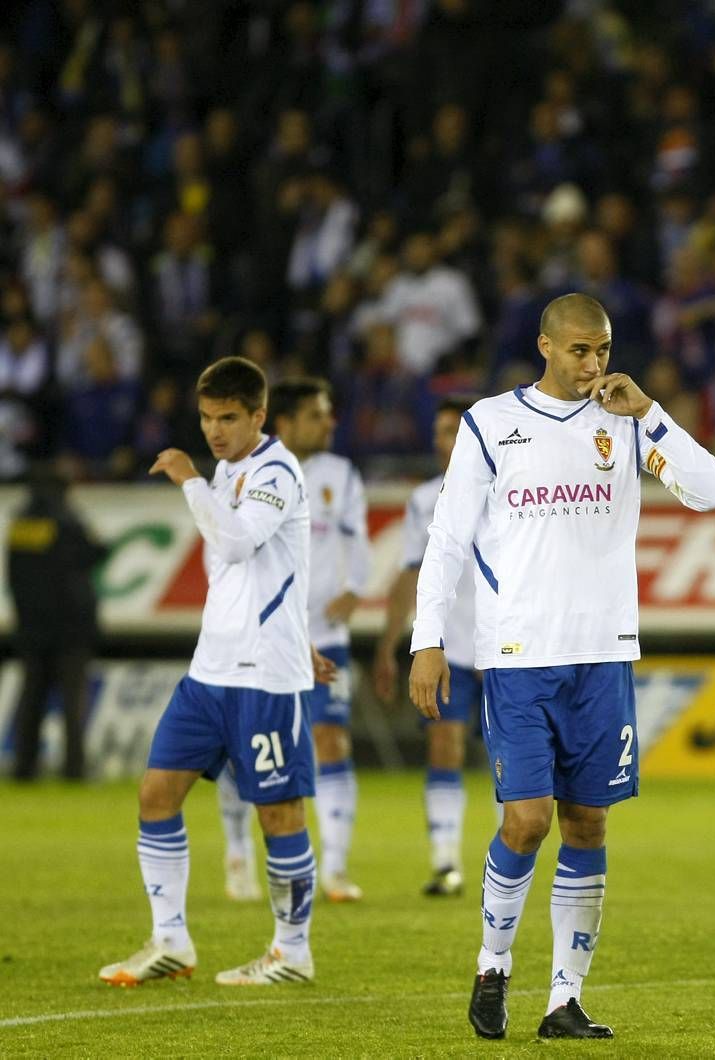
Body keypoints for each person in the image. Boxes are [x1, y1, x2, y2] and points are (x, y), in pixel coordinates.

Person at [408, 294, 715, 1041]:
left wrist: (649, 412)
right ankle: (492, 965)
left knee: (586, 823)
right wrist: (428, 639)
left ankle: (564, 999)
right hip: (520, 652)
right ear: (547, 346)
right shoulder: (491, 423)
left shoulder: (624, 418)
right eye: (581, 350)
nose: (594, 364)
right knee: (526, 821)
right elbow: (449, 539)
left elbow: (710, 491)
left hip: (603, 652)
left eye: (605, 350)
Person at [99, 356, 326, 987]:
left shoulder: (276, 470)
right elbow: (246, 575)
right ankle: (170, 940)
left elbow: (236, 544)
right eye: (205, 418)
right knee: (156, 794)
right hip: (211, 671)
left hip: (262, 678)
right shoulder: (230, 469)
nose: (215, 430)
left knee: (278, 814)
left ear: (259, 415)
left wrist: (188, 480)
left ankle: (292, 951)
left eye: (228, 417)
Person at [217, 377, 369, 903]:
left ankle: (335, 868)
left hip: (326, 635)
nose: (329, 423)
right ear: (284, 423)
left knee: (332, 742)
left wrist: (355, 589)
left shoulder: (342, 474)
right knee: (245, 751)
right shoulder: (248, 471)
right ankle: (237, 852)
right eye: (316, 415)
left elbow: (359, 540)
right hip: (259, 636)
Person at [373, 397, 481, 897]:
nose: (446, 440)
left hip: (510, 645)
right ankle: (445, 862)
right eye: (439, 432)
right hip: (451, 647)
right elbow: (411, 573)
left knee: (516, 755)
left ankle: (513, 860)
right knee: (444, 745)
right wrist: (389, 644)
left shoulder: (510, 484)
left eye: (454, 430)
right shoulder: (424, 499)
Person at [7, 463, 106, 780]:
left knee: (30, 701)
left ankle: (24, 767)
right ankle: (73, 769)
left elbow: (13, 576)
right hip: (70, 630)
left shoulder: (20, 524)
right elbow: (94, 553)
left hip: (32, 629)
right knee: (72, 702)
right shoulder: (67, 521)